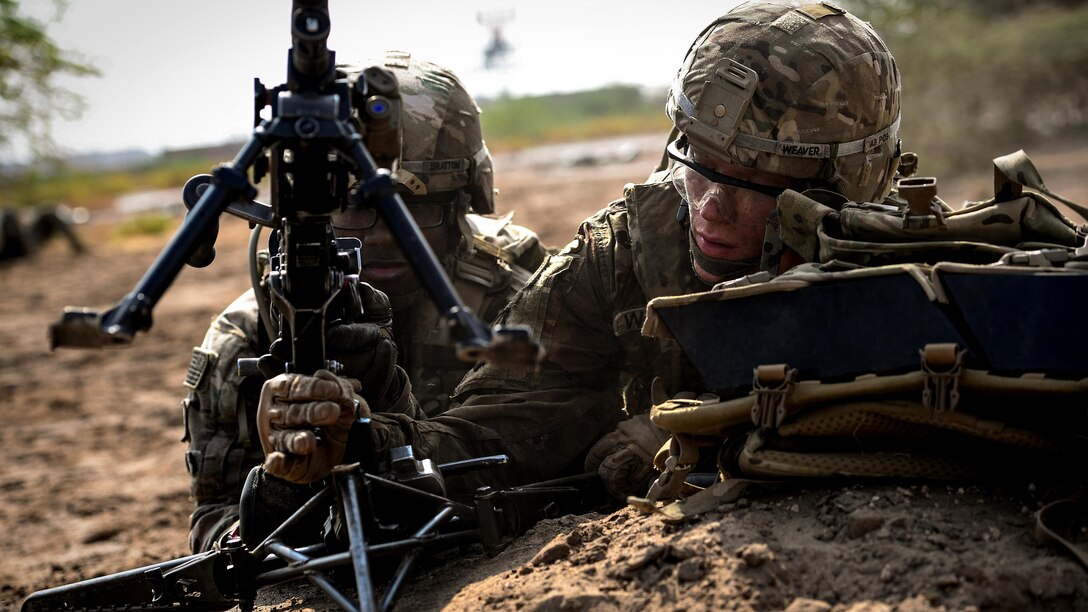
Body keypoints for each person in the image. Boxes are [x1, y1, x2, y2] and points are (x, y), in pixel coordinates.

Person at [253, 2, 902, 511]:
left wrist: (689, 429)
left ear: (846, 183)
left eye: (757, 183)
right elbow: (503, 424)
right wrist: (365, 441)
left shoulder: (902, 265)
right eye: (699, 164)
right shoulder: (624, 255)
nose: (710, 207)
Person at [182, 51, 548, 553]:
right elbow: (214, 531)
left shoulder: (516, 297)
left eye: (414, 210)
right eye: (351, 208)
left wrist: (379, 425)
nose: (382, 238)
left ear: (464, 207)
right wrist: (282, 488)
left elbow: (547, 458)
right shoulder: (248, 336)